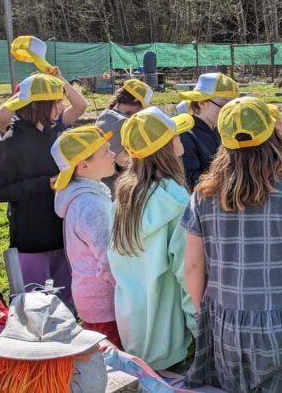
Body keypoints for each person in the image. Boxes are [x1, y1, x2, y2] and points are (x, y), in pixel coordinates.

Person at [182, 97, 282, 392]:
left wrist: (205, 312)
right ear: (274, 137)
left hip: (227, 319)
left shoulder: (202, 197)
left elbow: (192, 267)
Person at [108, 106, 196, 369]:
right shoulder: (177, 199)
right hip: (166, 330)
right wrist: (199, 323)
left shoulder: (124, 194)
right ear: (167, 146)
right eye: (177, 135)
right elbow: (187, 270)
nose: (182, 139)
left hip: (131, 320)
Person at [0, 74, 77, 309]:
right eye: (55, 103)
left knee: (64, 301)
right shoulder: (12, 141)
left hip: (61, 230)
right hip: (32, 235)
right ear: (37, 105)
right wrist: (43, 184)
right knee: (34, 303)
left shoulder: (54, 133)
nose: (61, 108)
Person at [52, 125, 121, 348]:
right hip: (104, 300)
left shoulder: (87, 192)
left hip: (93, 295)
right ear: (84, 165)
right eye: (105, 153)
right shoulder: (89, 204)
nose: (112, 155)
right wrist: (127, 286)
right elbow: (107, 254)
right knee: (115, 364)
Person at [177, 72, 239, 189]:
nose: (229, 111)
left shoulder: (218, 129)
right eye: (224, 104)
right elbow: (189, 179)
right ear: (202, 103)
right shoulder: (186, 135)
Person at [95, 79, 154, 191]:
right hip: (114, 185)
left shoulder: (106, 114)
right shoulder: (122, 122)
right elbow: (123, 160)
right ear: (136, 101)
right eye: (142, 107)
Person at [0, 67, 87, 134]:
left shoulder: (54, 122)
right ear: (35, 105)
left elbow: (80, 106)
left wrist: (58, 78)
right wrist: (33, 87)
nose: (62, 107)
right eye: (56, 102)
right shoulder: (16, 127)